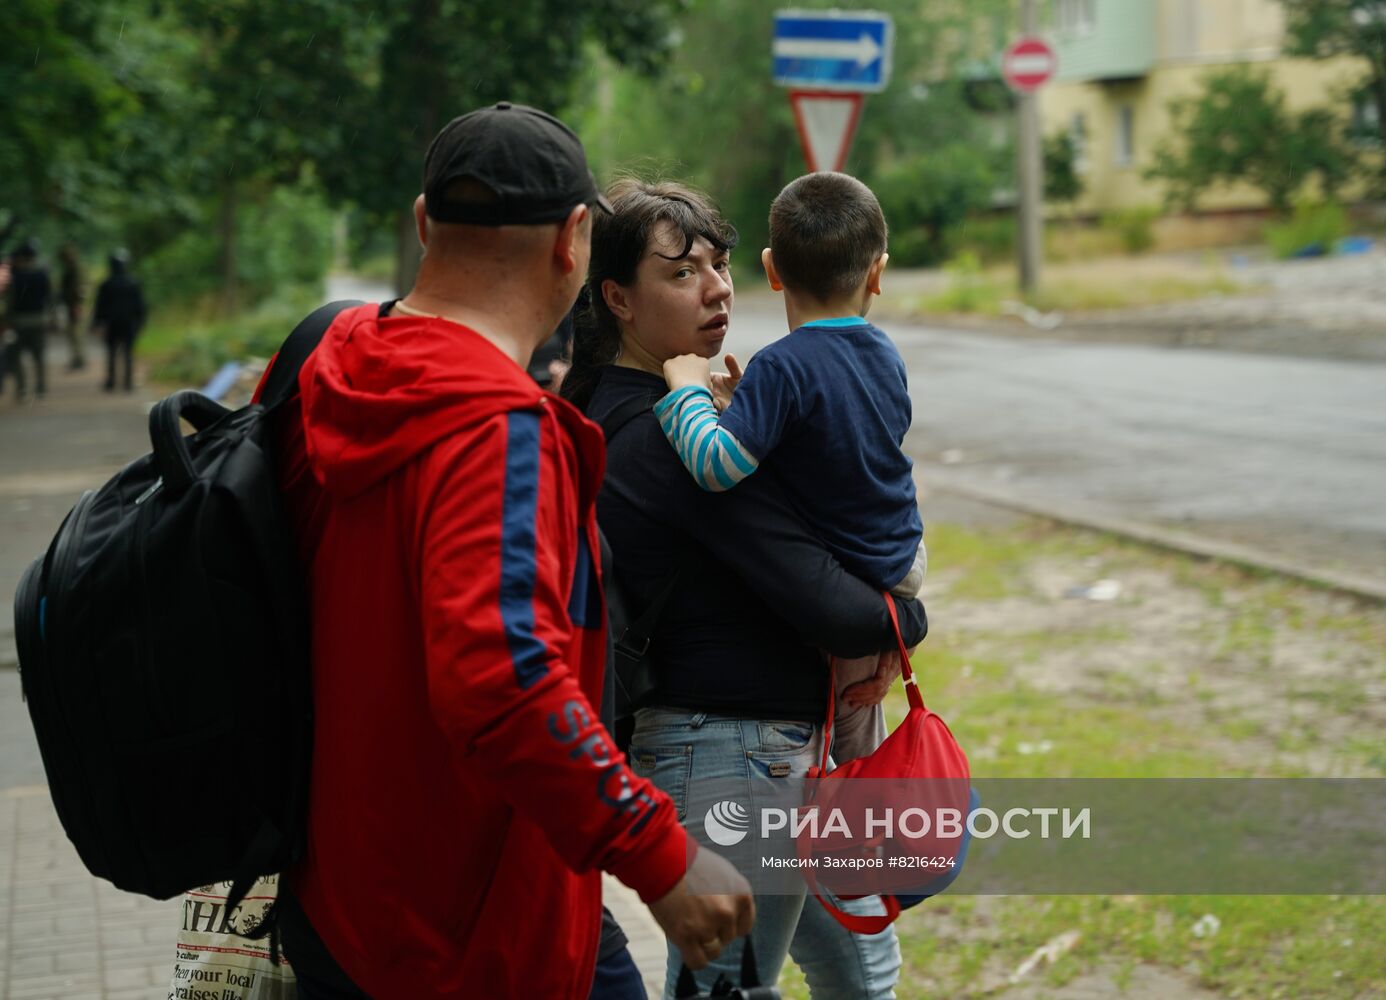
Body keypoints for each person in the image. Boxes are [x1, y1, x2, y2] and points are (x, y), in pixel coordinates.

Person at [264, 104, 753, 1000]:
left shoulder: (322, 362)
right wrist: (661, 854)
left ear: (423, 223)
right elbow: (503, 681)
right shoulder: (499, 430)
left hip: (337, 896)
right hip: (473, 929)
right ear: (575, 241)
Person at [562, 178, 928, 999]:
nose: (717, 286)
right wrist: (910, 616)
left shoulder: (637, 411)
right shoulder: (665, 441)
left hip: (766, 744)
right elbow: (832, 599)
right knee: (735, 986)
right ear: (617, 297)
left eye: (721, 264)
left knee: (860, 968)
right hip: (729, 752)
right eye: (683, 271)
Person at [654, 172, 925, 766]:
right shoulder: (884, 353)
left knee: (848, 761)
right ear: (877, 272)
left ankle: (861, 848)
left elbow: (715, 467)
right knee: (858, 735)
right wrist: (753, 412)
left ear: (772, 269)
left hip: (857, 573)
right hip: (897, 558)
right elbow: (838, 444)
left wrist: (687, 394)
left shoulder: (783, 366)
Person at [4, 240, 54, 401]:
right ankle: (41, 389)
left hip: (19, 321)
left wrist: (6, 321)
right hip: (39, 320)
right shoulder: (42, 274)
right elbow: (49, 298)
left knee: (15, 356)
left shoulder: (16, 276)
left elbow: (10, 301)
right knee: (38, 357)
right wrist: (52, 318)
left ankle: (22, 389)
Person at [91, 249, 146, 392]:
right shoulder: (133, 283)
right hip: (128, 323)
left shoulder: (106, 284)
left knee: (111, 352)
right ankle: (128, 382)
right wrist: (141, 321)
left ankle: (111, 381)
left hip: (112, 323)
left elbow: (100, 306)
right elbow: (140, 305)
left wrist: (96, 323)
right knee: (128, 353)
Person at [58, 242, 86, 371]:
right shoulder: (72, 269)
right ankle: (77, 358)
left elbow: (78, 289)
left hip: (74, 306)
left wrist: (77, 305)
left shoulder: (74, 270)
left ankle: (78, 359)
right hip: (72, 305)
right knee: (74, 334)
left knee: (75, 334)